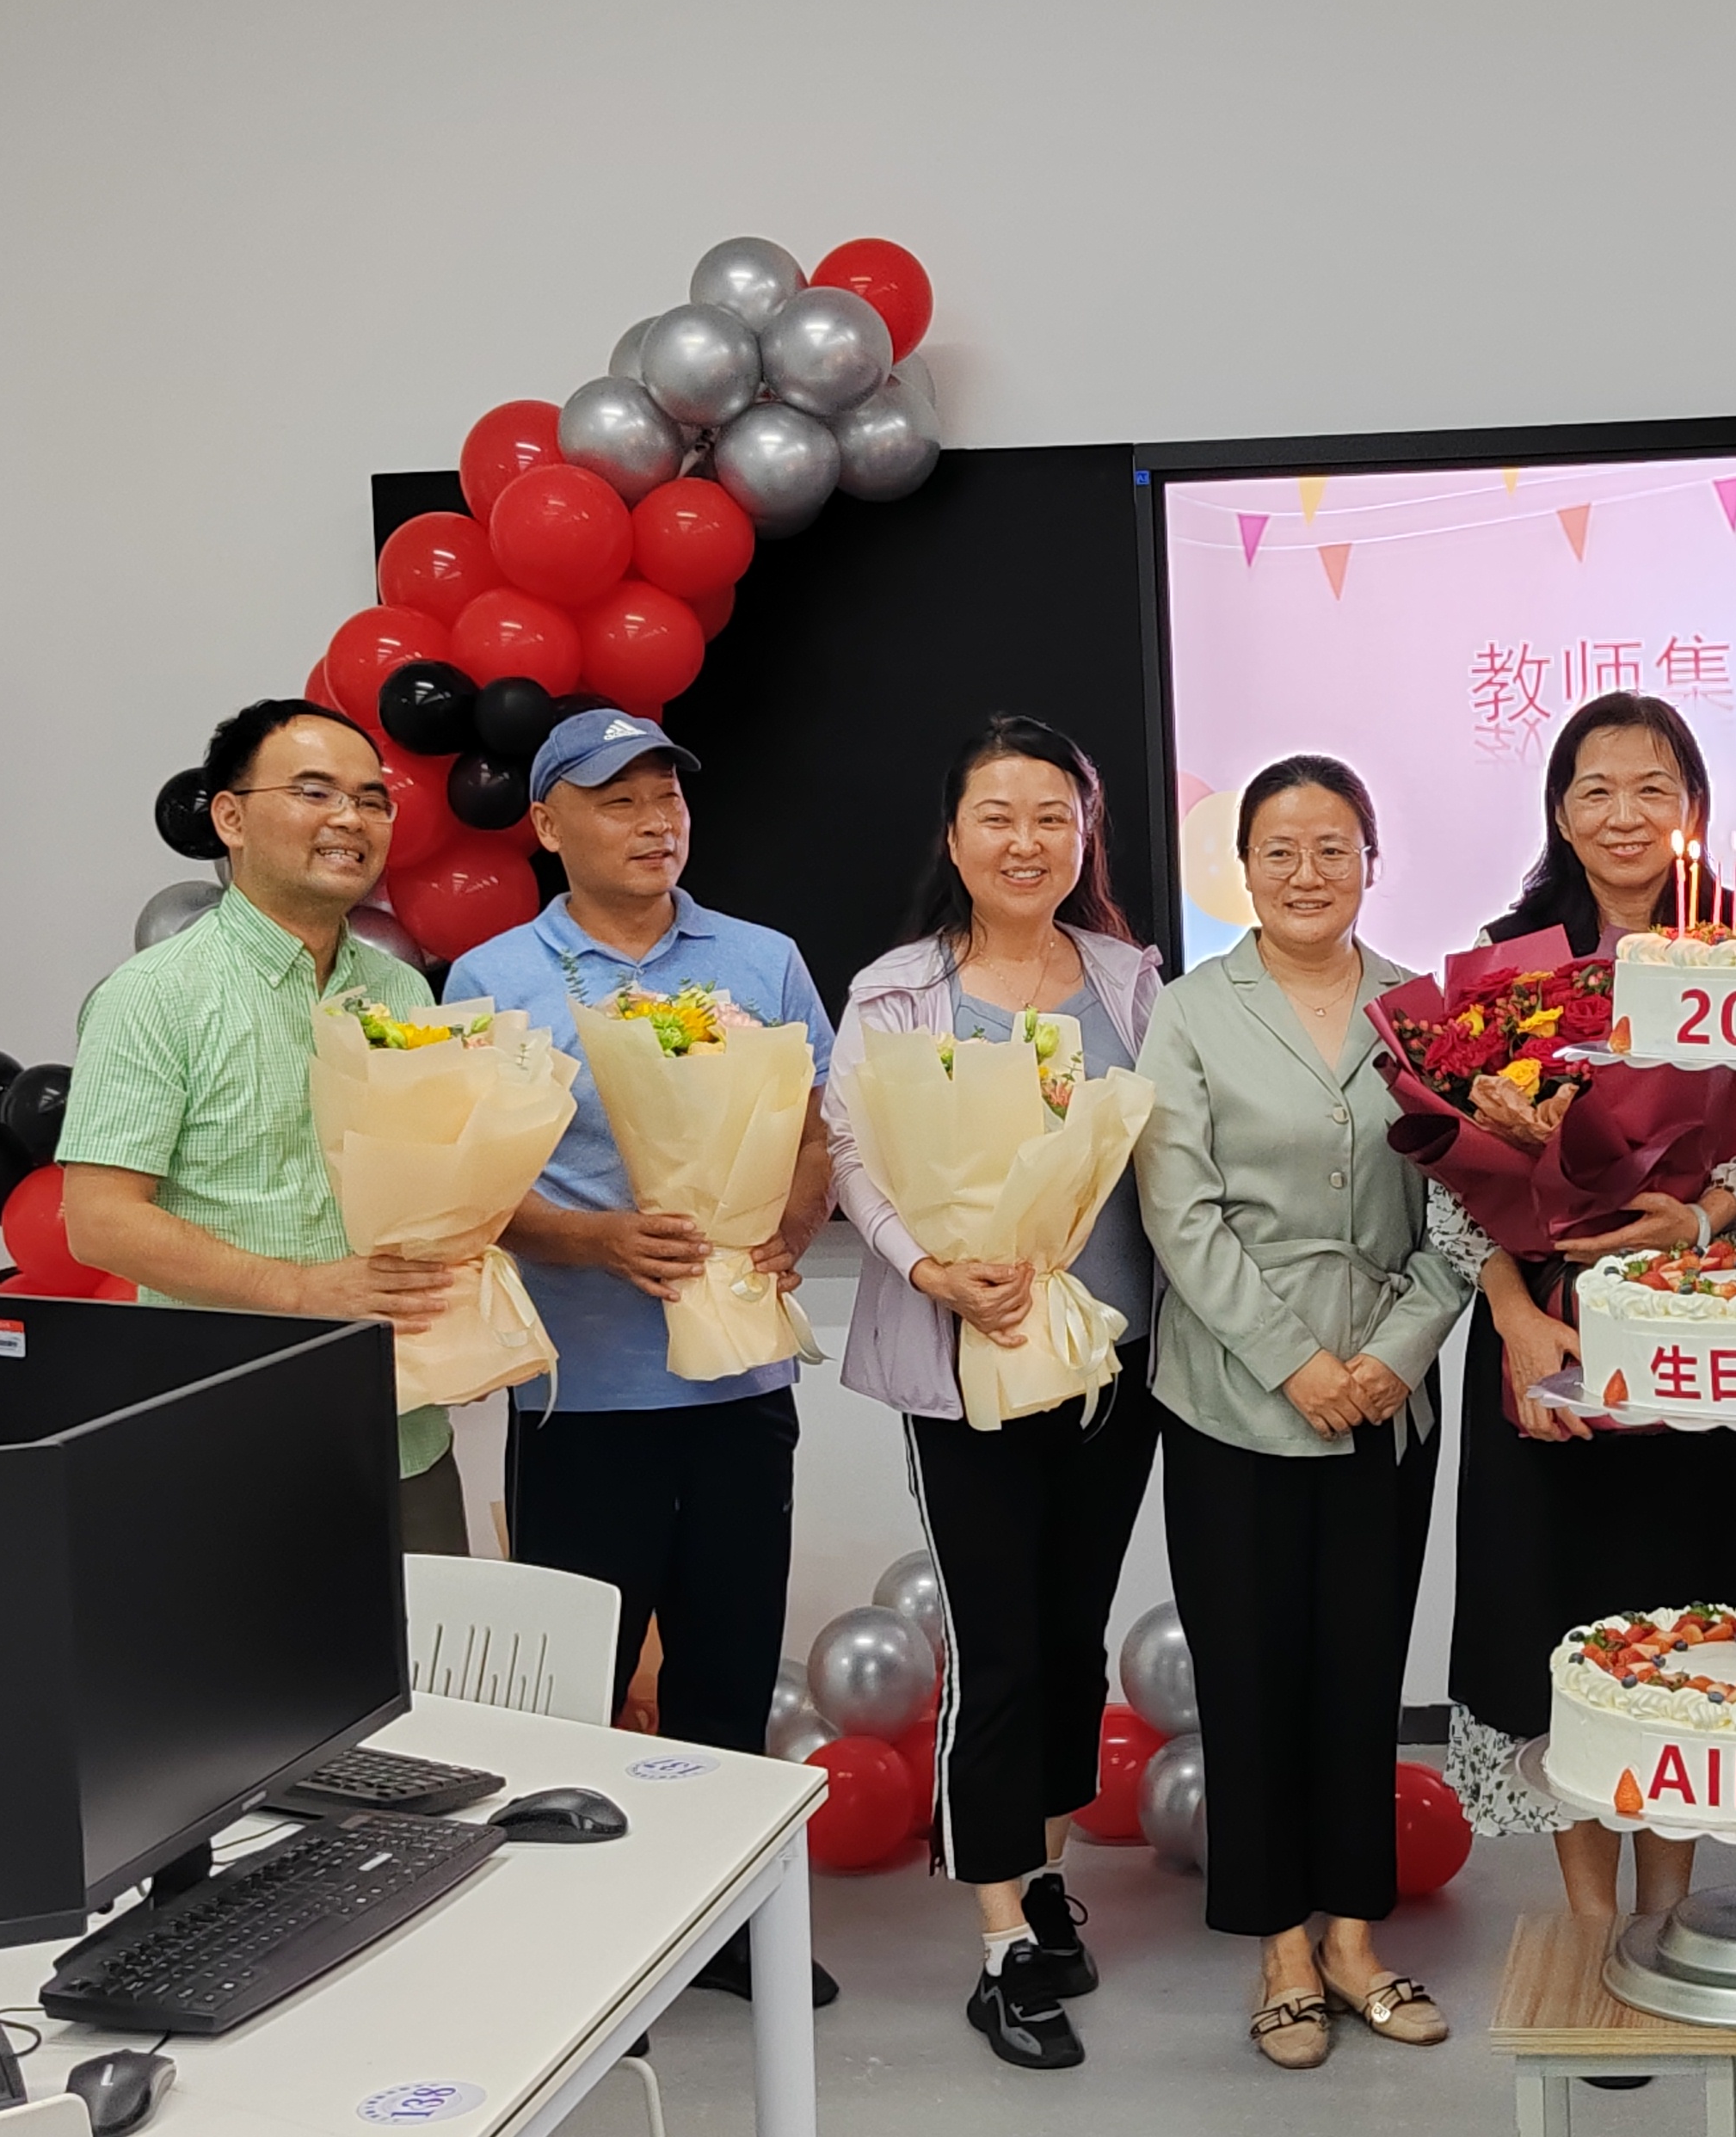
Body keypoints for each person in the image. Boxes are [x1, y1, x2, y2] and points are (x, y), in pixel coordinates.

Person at [440, 708, 840, 2005]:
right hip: (583, 1394)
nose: (655, 822)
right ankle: (584, 1949)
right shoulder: (494, 977)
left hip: (740, 1383)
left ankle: (725, 1933)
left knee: (731, 1666)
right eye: (618, 801)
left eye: (667, 797)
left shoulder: (763, 958)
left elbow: (821, 1131)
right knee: (580, 1680)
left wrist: (792, 1229)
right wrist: (594, 1240)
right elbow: (466, 1186)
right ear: (547, 825)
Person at [1439, 690, 1736, 1932]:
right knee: (1562, 1628)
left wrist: (1697, 1224)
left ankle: (1667, 1910)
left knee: (1684, 1626)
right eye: (1596, 790)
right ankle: (1594, 1925)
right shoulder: (1508, 960)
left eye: (1653, 788)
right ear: (1560, 812)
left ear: (1692, 808)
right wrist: (1515, 1320)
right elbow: (1452, 1170)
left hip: (1706, 1343)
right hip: (1548, 1334)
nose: (1624, 814)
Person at [826, 716, 1163, 2074]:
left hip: (1114, 1366)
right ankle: (998, 1941)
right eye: (998, 817)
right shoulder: (898, 990)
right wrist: (930, 1270)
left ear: (1084, 836)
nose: (1027, 842)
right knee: (997, 1647)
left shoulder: (1131, 978)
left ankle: (1048, 1875)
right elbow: (854, 1152)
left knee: (1074, 1634)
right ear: (955, 838)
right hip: (963, 1365)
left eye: (1052, 817)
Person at [1136, 754, 1469, 2070]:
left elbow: (1464, 1206)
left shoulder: (1424, 1010)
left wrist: (1393, 1356)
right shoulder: (1189, 1013)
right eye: (1279, 850)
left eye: (1334, 847)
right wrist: (1294, 1363)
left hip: (1387, 1401)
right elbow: (1179, 1213)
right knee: (1252, 1678)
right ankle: (1279, 1948)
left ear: (1372, 861)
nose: (1307, 873)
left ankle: (1353, 1940)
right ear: (1243, 871)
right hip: (1232, 1396)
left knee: (1360, 1675)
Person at [60, 697, 467, 1551]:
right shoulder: (154, 995)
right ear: (231, 818)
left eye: (372, 799)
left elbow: (435, 1185)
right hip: (225, 1442)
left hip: (403, 1431)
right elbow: (99, 1221)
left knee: (431, 1640)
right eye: (314, 792)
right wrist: (300, 1292)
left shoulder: (402, 992)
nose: (350, 818)